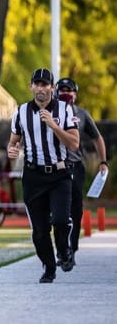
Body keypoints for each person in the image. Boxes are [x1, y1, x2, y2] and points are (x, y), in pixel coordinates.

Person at [7, 68, 79, 283]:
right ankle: (49, 268)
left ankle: (64, 251)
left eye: (45, 84)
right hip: (33, 176)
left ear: (52, 88)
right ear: (31, 86)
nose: (41, 88)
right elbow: (13, 142)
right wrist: (11, 150)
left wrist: (54, 125)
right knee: (39, 231)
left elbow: (74, 144)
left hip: (59, 174)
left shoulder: (65, 109)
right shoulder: (21, 112)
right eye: (37, 84)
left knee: (60, 220)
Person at [54, 77, 109, 264]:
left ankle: (71, 249)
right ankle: (61, 248)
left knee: (75, 209)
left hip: (75, 167)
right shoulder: (49, 112)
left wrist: (103, 161)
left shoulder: (81, 115)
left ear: (75, 94)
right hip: (54, 166)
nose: (65, 93)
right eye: (61, 90)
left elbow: (97, 138)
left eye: (69, 90)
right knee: (56, 210)